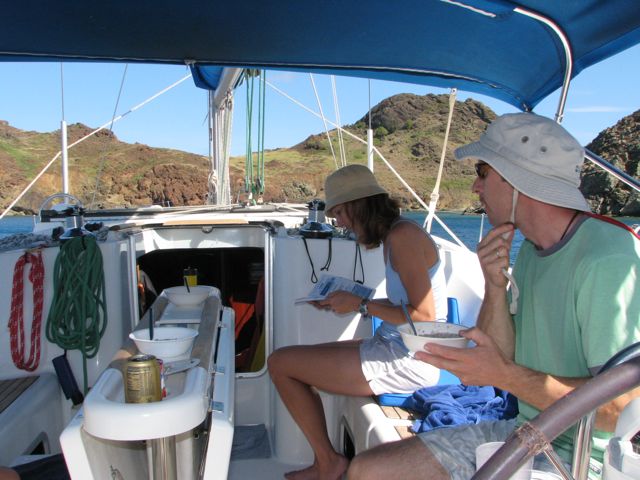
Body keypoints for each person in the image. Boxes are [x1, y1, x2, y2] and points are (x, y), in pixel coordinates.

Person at [347, 113, 640, 480]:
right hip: (529, 430)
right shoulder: (532, 251)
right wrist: (495, 285)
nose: (474, 187)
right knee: (366, 469)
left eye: (483, 172)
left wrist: (504, 375)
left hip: (587, 459)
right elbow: (501, 357)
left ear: (518, 179)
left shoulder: (605, 259)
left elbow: (619, 408)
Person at [268, 164, 449, 480]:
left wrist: (361, 304)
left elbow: (424, 317)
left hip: (411, 358)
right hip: (397, 345)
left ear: (356, 206)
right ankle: (327, 461)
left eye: (338, 212)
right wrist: (351, 301)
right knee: (292, 360)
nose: (338, 222)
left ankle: (329, 463)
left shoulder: (403, 237)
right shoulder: (397, 234)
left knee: (280, 364)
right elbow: (404, 307)